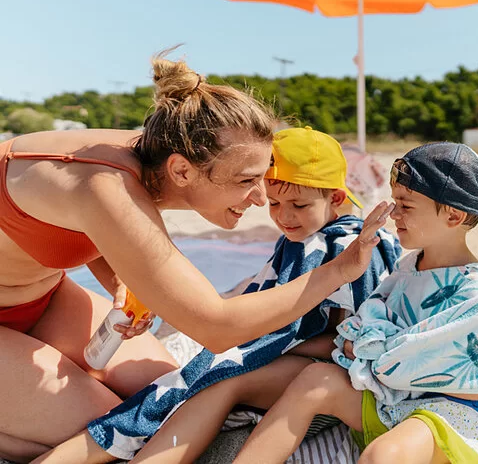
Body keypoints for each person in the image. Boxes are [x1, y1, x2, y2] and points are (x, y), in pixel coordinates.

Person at [0, 50, 392, 463]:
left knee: (168, 400)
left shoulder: (152, 150)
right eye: (247, 180)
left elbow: (71, 225)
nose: (261, 199)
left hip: (43, 299)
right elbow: (216, 328)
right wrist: (342, 268)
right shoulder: (105, 184)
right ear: (182, 171)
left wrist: (121, 282)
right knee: (110, 432)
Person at [233, 142, 478, 464]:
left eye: (406, 206)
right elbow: (371, 319)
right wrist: (369, 346)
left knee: (383, 455)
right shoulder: (410, 266)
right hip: (391, 400)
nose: (393, 214)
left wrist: (389, 359)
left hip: (448, 416)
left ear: (454, 215)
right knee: (314, 381)